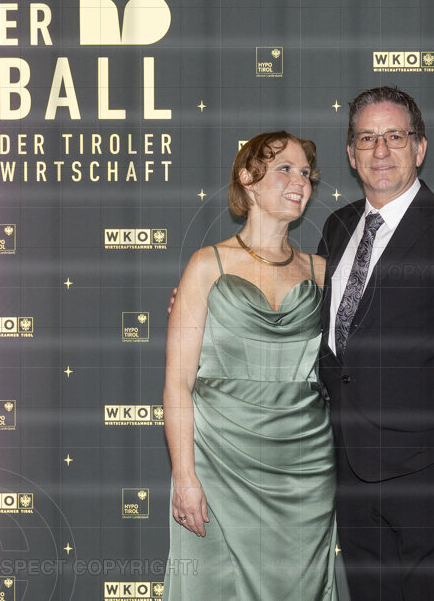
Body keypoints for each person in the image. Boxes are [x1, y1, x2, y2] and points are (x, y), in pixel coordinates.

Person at [316, 87, 434, 600]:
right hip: (351, 473)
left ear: (419, 148)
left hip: (429, 473)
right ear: (351, 154)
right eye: (367, 138)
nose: (380, 150)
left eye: (395, 136)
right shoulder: (337, 227)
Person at [162, 131, 338, 600]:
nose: (300, 182)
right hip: (219, 462)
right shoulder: (207, 266)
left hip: (305, 468)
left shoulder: (324, 271)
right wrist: (184, 476)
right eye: (285, 169)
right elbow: (178, 383)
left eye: (306, 173)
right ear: (247, 178)